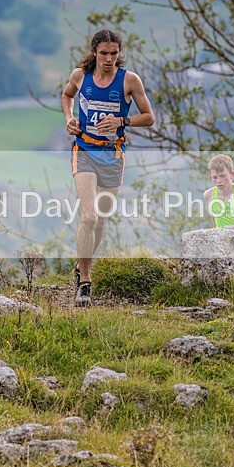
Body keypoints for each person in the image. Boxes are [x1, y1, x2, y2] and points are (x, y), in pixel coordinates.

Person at [61, 29, 155, 306]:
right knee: (89, 217)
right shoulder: (81, 76)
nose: (109, 59)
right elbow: (66, 95)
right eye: (104, 53)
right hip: (85, 150)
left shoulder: (129, 80)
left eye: (114, 53)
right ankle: (85, 283)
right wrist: (68, 118)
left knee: (101, 220)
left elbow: (149, 117)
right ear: (94, 52)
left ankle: (81, 264)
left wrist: (121, 121)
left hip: (113, 156)